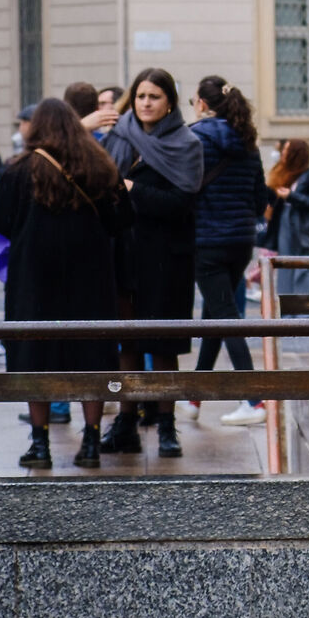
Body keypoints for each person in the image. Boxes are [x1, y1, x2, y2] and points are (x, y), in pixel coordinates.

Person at [0, 97, 133, 468]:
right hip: (91, 277)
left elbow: (3, 220)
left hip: (32, 281)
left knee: (34, 358)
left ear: (36, 129)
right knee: (93, 357)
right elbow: (122, 220)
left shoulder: (20, 170)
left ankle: (40, 444)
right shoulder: (100, 167)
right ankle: (90, 442)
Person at [99, 68, 203, 458]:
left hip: (166, 258)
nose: (145, 103)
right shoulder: (119, 136)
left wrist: (133, 188)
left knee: (162, 345)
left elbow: (182, 203)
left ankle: (165, 424)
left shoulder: (186, 143)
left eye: (154, 97)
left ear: (170, 103)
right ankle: (125, 420)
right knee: (125, 340)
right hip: (124, 253)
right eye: (141, 96)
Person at [189, 76, 267, 427]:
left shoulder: (195, 140)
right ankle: (194, 395)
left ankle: (253, 400)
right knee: (217, 313)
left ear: (202, 105)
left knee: (226, 317)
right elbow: (260, 197)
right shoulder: (247, 142)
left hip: (206, 241)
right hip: (240, 241)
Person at [264, 139, 309, 296]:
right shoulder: (284, 172)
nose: (283, 153)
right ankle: (285, 305)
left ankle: (307, 307)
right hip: (285, 221)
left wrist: (291, 196)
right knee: (284, 263)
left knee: (302, 265)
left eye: (287, 151)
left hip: (302, 225)